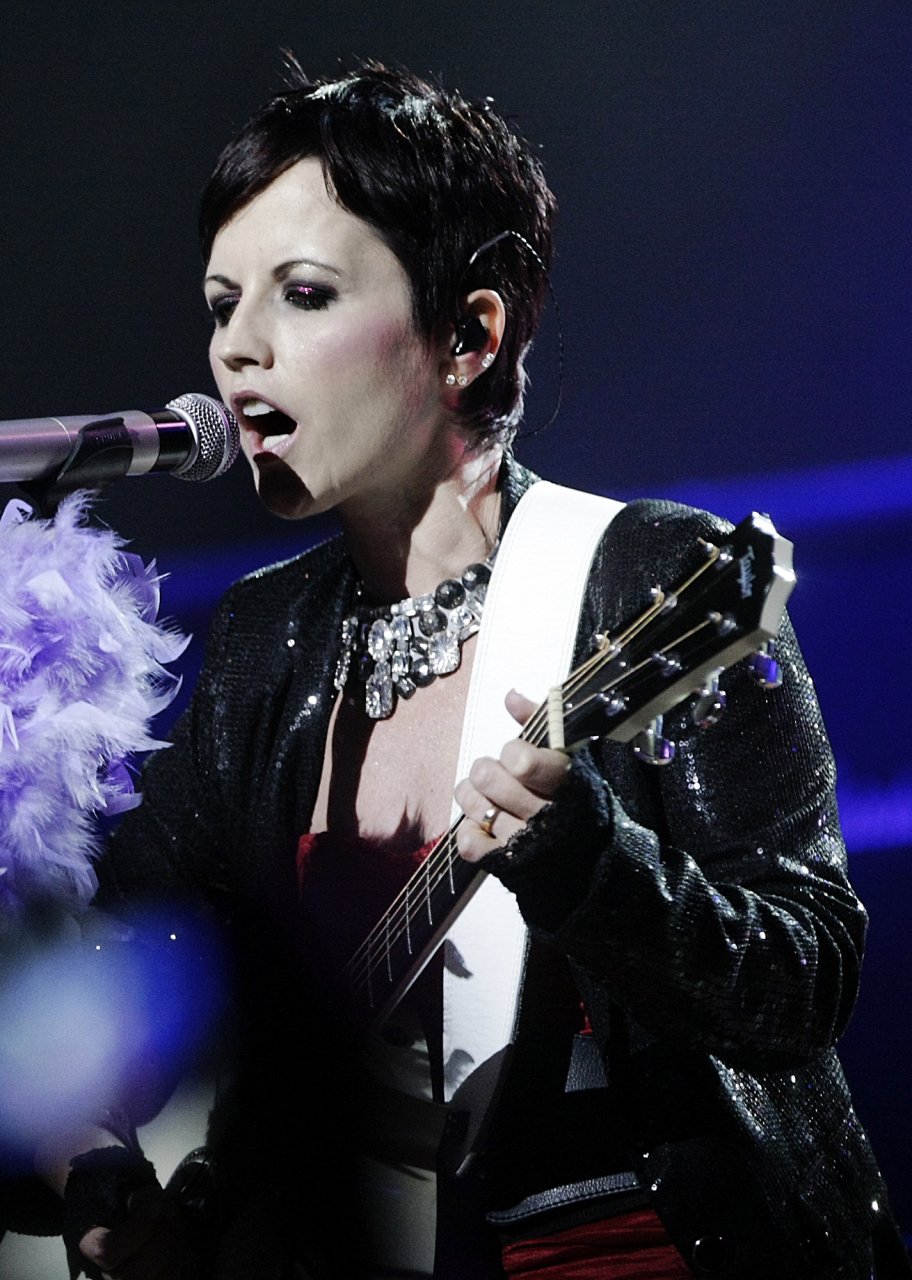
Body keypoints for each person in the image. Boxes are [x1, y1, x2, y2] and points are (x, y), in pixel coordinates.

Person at [60, 63, 910, 1279]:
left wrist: (590, 860)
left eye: (301, 295)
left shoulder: (653, 579)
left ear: (469, 332)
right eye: (219, 301)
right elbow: (115, 966)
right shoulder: (263, 647)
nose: (235, 351)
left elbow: (802, 976)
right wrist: (108, 1176)